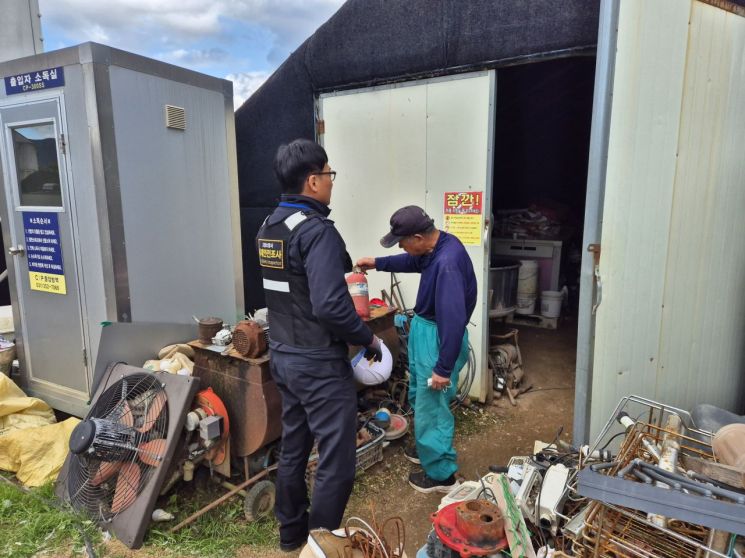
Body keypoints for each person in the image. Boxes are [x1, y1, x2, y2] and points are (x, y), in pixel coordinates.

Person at [257, 139, 382, 551]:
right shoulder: (317, 233)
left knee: (294, 445)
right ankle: (321, 544)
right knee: (336, 459)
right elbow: (330, 306)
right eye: (329, 174)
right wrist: (367, 339)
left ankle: (291, 534)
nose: (331, 182)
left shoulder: (270, 226)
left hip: (284, 357)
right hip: (317, 362)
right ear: (313, 181)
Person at [356, 205, 477, 493]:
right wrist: (377, 262)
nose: (400, 246)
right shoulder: (438, 246)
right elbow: (413, 262)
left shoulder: (447, 264)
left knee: (432, 407)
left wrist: (443, 368)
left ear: (419, 237)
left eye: (402, 241)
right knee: (422, 398)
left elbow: (453, 319)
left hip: (438, 338)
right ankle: (427, 449)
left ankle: (441, 475)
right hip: (430, 333)